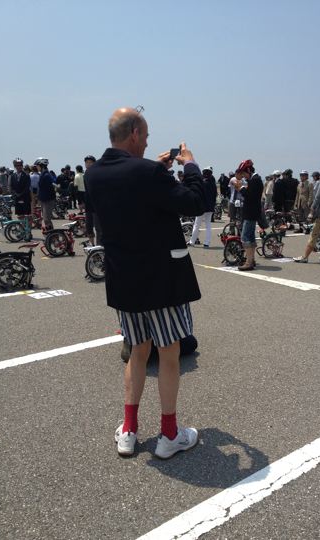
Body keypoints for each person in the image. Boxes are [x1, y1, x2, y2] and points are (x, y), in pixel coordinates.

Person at [84, 107, 205, 459]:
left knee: (138, 352)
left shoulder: (94, 175)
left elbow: (133, 195)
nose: (149, 142)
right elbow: (195, 201)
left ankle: (129, 430)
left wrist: (156, 169)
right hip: (162, 280)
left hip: (125, 280)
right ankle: (169, 434)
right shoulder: (148, 172)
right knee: (168, 353)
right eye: (147, 135)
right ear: (135, 133)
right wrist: (190, 166)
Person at [233, 159, 263, 271]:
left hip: (250, 213)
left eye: (244, 173)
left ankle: (249, 262)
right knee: (250, 237)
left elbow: (250, 196)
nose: (243, 175)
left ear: (249, 170)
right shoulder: (255, 179)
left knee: (245, 238)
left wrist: (240, 188)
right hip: (252, 212)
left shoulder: (255, 180)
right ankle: (251, 260)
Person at [188, 166, 216, 248]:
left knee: (197, 225)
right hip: (210, 207)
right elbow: (214, 196)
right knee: (208, 225)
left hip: (202, 207)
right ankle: (207, 243)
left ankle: (192, 241)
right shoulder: (213, 184)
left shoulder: (203, 183)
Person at [36, 158, 56, 232]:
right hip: (44, 200)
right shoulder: (43, 174)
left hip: (47, 200)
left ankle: (52, 234)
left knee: (47, 219)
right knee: (46, 219)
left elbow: (48, 188)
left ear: (41, 166)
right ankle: (50, 234)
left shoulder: (46, 175)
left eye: (37, 166)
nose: (37, 167)